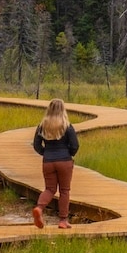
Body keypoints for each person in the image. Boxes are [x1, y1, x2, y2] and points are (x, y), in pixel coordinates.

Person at [31, 98, 79, 229]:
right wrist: (69, 154)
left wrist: (45, 153)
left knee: (50, 189)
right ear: (62, 109)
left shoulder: (42, 126)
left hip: (48, 161)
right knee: (64, 190)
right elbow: (75, 145)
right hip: (64, 161)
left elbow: (36, 145)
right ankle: (63, 220)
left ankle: (39, 208)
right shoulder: (67, 126)